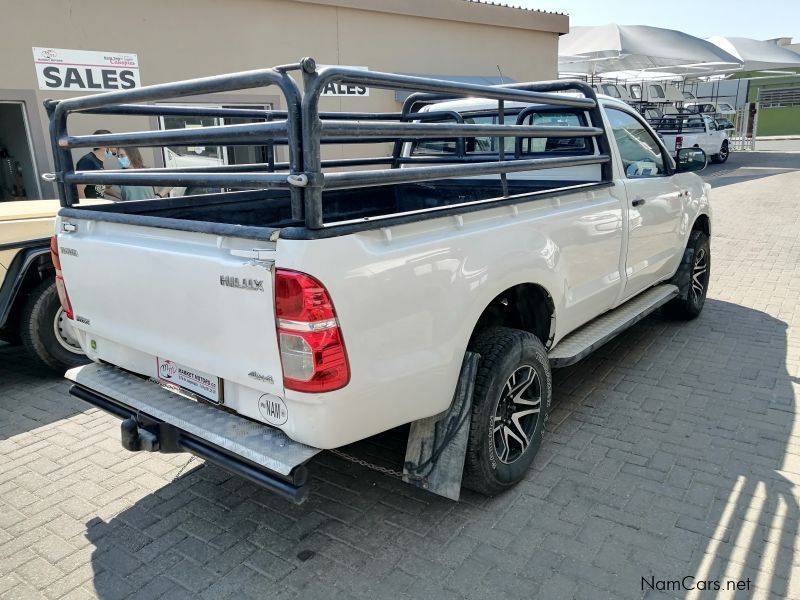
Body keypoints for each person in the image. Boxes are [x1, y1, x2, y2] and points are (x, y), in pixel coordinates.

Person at [75, 130, 115, 199]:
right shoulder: (88, 161)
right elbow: (80, 189)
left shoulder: (98, 162)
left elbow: (97, 187)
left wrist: (119, 195)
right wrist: (85, 208)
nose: (114, 147)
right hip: (91, 207)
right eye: (112, 143)